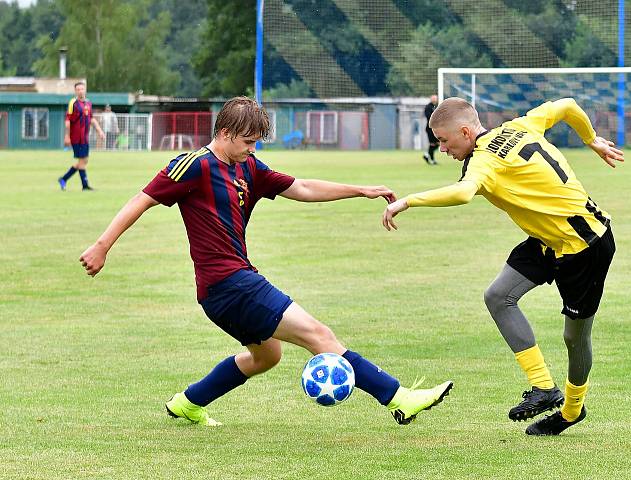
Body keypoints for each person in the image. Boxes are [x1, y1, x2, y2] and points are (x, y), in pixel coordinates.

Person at [78, 97, 452, 427]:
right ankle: (399, 398)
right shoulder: (193, 165)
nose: (252, 148)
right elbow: (141, 199)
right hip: (229, 284)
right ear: (224, 132)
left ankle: (188, 403)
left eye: (256, 142)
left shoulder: (249, 167)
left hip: (229, 286)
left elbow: (301, 187)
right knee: (318, 335)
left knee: (266, 356)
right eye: (247, 141)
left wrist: (360, 190)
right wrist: (102, 245)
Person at [382, 97, 623, 436]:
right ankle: (543, 388)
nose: (444, 149)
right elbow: (567, 105)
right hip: (547, 240)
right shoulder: (519, 126)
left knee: (575, 337)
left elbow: (465, 193)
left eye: (445, 141)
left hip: (585, 245)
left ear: (466, 132)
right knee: (498, 296)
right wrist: (591, 138)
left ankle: (571, 410)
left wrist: (409, 200)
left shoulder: (482, 161)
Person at [59, 81, 105, 191]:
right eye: (78, 89)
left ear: (85, 90)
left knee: (84, 161)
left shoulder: (88, 103)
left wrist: (100, 131)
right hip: (76, 138)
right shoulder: (73, 103)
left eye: (82, 89)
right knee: (82, 161)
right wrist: (67, 136)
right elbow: (68, 121)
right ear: (75, 91)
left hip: (85, 138)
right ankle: (81, 184)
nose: (80, 91)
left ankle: (65, 179)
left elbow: (92, 118)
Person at [422, 94, 439, 165]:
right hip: (430, 128)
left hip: (435, 128)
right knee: (432, 144)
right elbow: (428, 117)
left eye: (436, 98)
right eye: (434, 98)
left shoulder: (436, 106)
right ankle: (432, 159)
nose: (435, 100)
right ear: (431, 99)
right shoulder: (428, 107)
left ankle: (427, 155)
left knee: (437, 143)